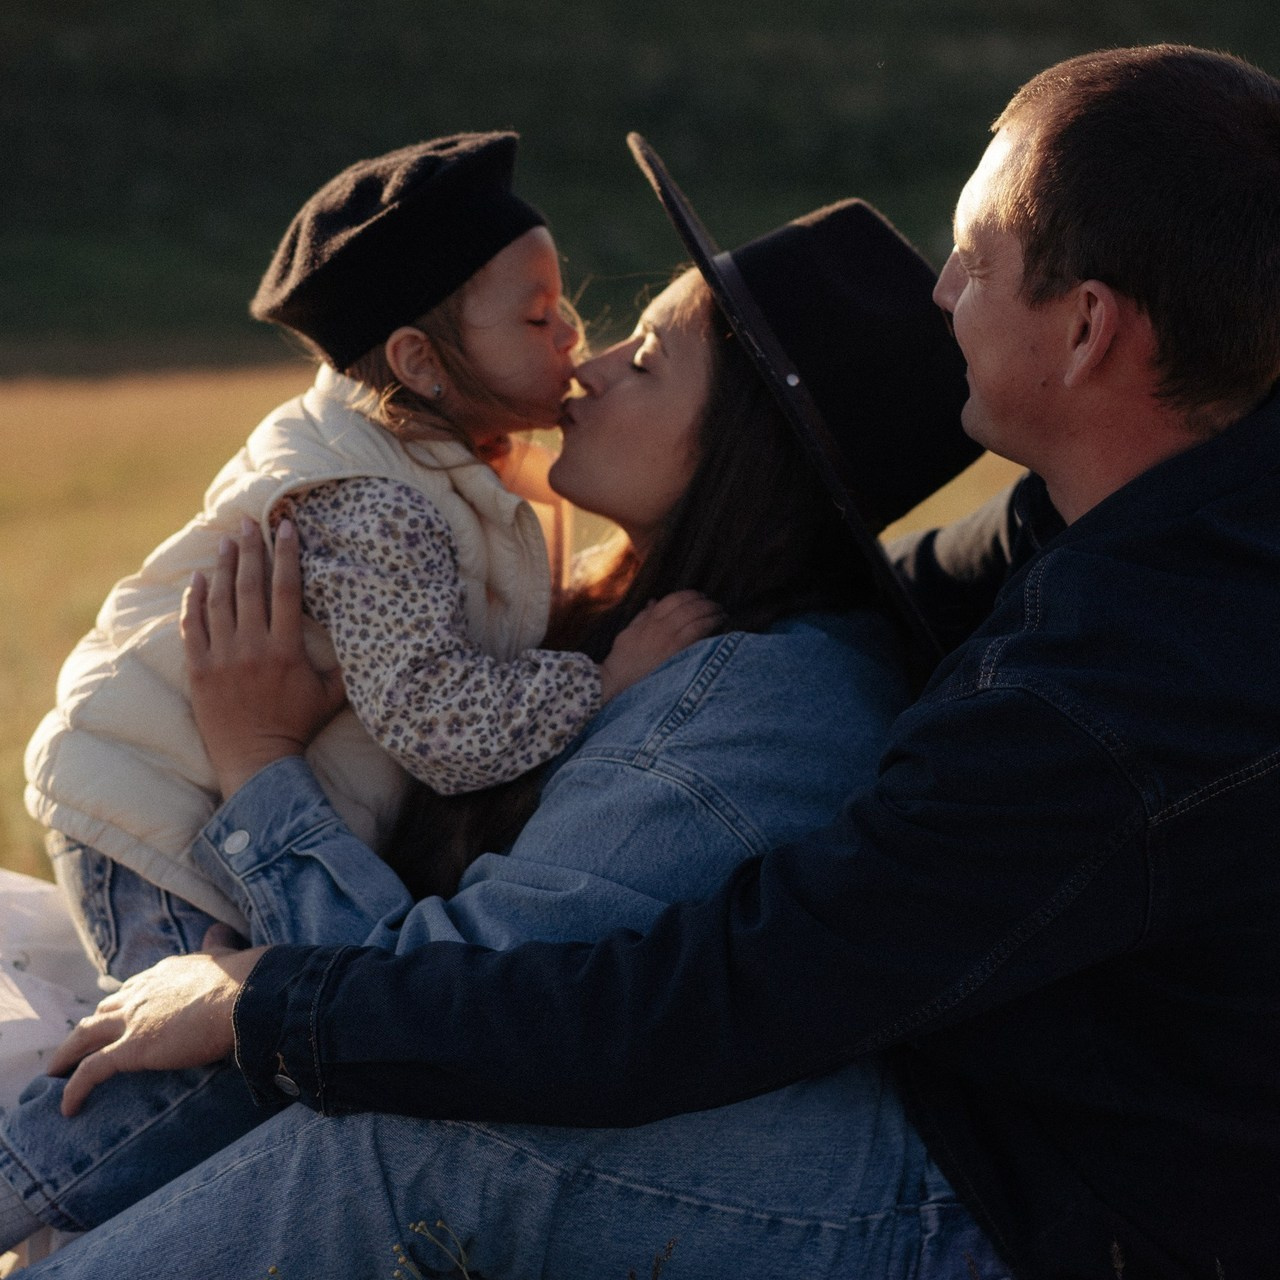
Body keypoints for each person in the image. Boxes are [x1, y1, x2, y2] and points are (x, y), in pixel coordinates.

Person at [16, 37, 1279, 1278]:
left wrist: (264, 968)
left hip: (1044, 1210)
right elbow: (891, 584)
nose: (942, 291)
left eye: (977, 258)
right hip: (992, 1117)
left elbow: (711, 995)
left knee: (447, 1139)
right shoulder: (1140, 514)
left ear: (1085, 331)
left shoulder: (1121, 678)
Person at [0, 174, 981, 1271]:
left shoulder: (735, 707)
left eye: (647, 360)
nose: (588, 362)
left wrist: (259, 760)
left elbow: (433, 1014)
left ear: (751, 448)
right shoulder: (604, 606)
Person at [21, 130, 715, 986]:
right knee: (186, 1076)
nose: (572, 336)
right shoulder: (374, 502)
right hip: (158, 824)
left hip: (211, 822)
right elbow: (435, 720)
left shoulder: (452, 461)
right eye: (539, 317)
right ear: (420, 362)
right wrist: (605, 684)